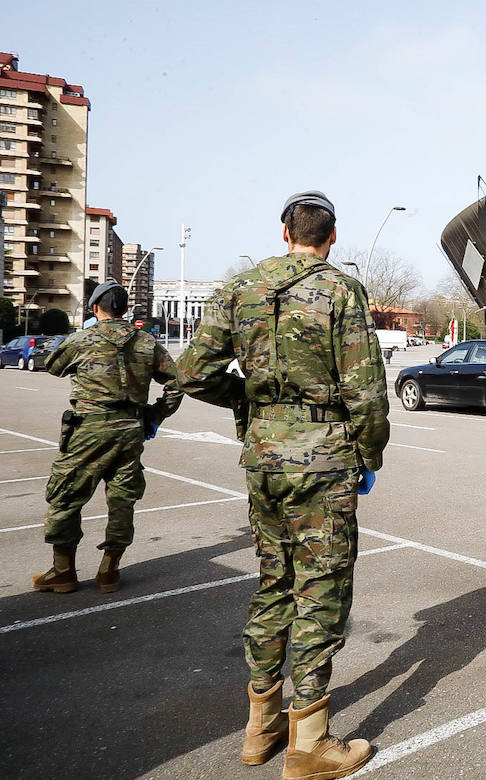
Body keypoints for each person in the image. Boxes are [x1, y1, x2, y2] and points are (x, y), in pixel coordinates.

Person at [176, 191, 389, 779]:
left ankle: (260, 728)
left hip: (264, 461)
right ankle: (309, 744)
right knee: (321, 589)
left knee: (274, 583)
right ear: (333, 236)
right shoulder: (340, 290)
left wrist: (250, 402)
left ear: (284, 233)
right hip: (323, 462)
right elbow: (366, 388)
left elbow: (192, 373)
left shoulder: (239, 289)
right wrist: (369, 452)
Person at [32, 281, 182, 595]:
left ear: (95, 307)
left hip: (89, 431)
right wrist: (155, 416)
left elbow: (52, 366)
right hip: (131, 430)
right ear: (126, 309)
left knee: (64, 498)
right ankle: (109, 572)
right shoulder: (147, 342)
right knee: (122, 501)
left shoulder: (82, 339)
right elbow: (177, 383)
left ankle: (63, 572)